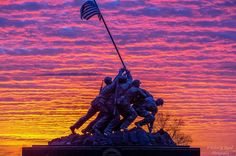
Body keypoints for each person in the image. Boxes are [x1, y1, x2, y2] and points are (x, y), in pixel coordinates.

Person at [70, 68, 125, 134]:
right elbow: (116, 81)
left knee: (87, 116)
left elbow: (115, 81)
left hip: (95, 102)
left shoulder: (105, 87)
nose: (112, 81)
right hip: (100, 103)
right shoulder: (109, 87)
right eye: (111, 80)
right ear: (109, 81)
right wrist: (120, 72)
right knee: (107, 114)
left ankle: (74, 126)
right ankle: (95, 127)